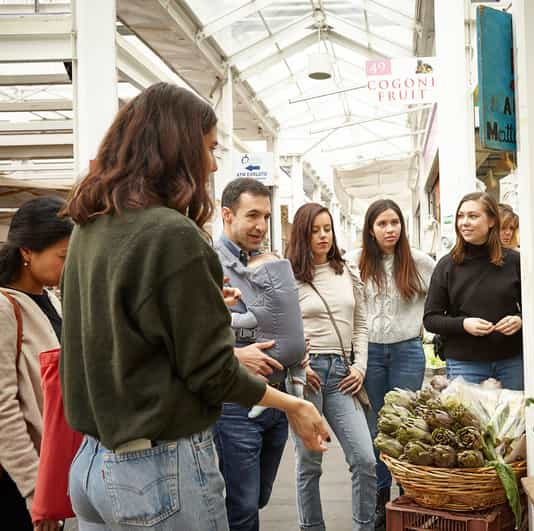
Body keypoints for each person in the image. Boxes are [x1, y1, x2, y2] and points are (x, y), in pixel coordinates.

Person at [58, 82, 330, 531]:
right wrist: (294, 405)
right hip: (158, 471)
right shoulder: (172, 234)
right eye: (208, 148)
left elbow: (119, 329)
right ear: (177, 149)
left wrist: (203, 307)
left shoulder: (90, 228)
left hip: (92, 466)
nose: (213, 163)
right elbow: (211, 373)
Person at [213, 177, 307, 531]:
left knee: (259, 496)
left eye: (266, 217)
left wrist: (296, 346)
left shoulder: (266, 261)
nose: (261, 226)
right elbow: (185, 334)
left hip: (277, 397)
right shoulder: (208, 264)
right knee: (242, 507)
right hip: (234, 404)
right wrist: (235, 356)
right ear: (227, 214)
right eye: (252, 216)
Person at [345, 199, 435, 530]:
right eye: (382, 224)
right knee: (376, 431)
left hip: (407, 353)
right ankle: (381, 503)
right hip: (369, 357)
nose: (390, 229)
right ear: (370, 228)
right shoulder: (354, 263)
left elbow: (441, 299)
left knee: (409, 428)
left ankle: (408, 498)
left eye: (394, 223)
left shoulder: (421, 263)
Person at [0, 196, 72, 531]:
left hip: (51, 471)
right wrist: (36, 490)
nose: (68, 266)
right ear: (26, 252)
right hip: (18, 481)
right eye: (62, 257)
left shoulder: (48, 298)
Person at [287, 203, 377, 531]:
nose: (323, 236)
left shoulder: (347, 270)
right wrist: (298, 364)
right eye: (315, 230)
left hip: (342, 374)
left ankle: (365, 526)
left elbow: (361, 323)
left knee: (365, 460)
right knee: (309, 463)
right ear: (302, 234)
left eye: (327, 229)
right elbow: (280, 329)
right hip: (305, 378)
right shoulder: (289, 277)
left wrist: (361, 367)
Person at [423, 192, 524, 390]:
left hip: (511, 361)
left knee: (514, 420)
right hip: (465, 364)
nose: (464, 222)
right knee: (471, 421)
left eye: (473, 216)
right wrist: (464, 324)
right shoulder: (447, 265)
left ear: (492, 221)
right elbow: (430, 319)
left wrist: (520, 319)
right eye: (461, 216)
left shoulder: (514, 261)